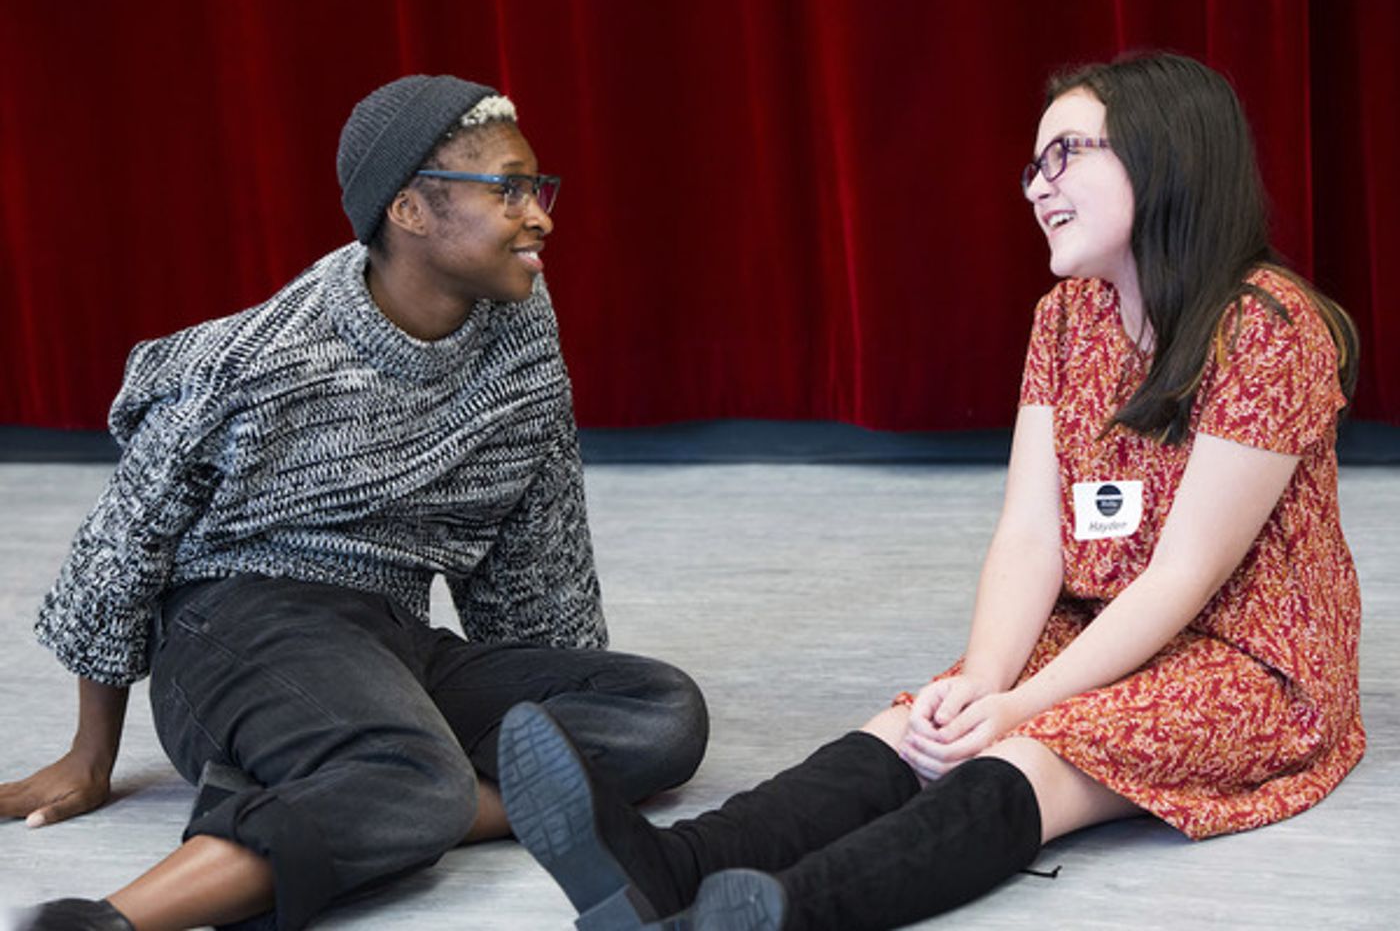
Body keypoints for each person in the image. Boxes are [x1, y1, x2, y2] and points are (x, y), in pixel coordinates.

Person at [495, 52, 1364, 930]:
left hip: (1244, 658)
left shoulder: (1266, 328)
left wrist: (1022, 705)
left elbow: (1185, 575)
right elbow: (1030, 536)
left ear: (1161, 153)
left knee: (1028, 755)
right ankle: (667, 867)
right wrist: (985, 680)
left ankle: (787, 914)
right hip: (1100, 622)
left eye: (1064, 155)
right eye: (1033, 166)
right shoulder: (1065, 318)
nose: (1035, 187)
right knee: (922, 728)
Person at [0, 74, 708, 931]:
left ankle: (355, 800)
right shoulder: (265, 358)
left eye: (539, 186)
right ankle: (109, 919)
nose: (541, 214)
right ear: (410, 210)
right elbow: (122, 541)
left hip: (389, 637)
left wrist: (546, 692)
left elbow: (539, 518)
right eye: (509, 189)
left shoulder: (519, 322)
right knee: (421, 781)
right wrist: (90, 756)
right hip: (237, 630)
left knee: (661, 714)